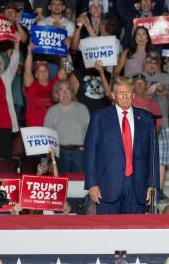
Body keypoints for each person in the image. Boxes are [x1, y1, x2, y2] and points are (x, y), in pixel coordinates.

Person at [84, 76, 159, 214]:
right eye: (120, 93)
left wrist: (153, 184)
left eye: (128, 92)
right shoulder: (99, 117)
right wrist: (92, 183)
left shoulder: (146, 118)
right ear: (113, 95)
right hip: (107, 185)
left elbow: (153, 154)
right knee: (108, 233)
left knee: (135, 231)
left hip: (138, 186)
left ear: (133, 94)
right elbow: (90, 151)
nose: (125, 96)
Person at [44, 80, 90, 173]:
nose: (64, 92)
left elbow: (90, 131)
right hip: (59, 153)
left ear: (72, 92)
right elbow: (46, 137)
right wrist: (49, 160)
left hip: (79, 153)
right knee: (61, 185)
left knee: (80, 184)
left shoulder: (82, 108)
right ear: (57, 94)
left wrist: (87, 149)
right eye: (61, 90)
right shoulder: (51, 111)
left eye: (67, 89)